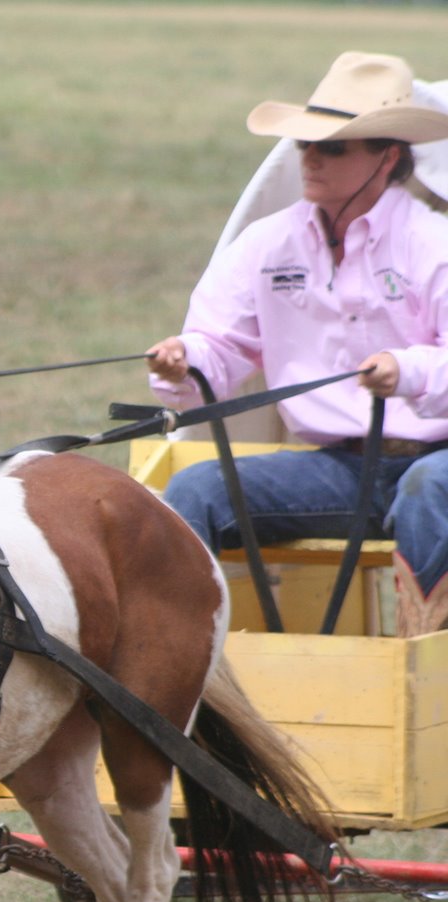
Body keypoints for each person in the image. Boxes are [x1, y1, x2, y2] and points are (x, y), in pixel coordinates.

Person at [147, 52, 448, 637]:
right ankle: (180, 662)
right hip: (342, 467)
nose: (310, 157)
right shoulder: (270, 244)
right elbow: (218, 345)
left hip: (439, 462)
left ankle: (426, 666)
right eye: (305, 144)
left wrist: (407, 371)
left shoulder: (434, 243)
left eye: (332, 147)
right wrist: (185, 361)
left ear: (387, 158)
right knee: (196, 490)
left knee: (426, 487)